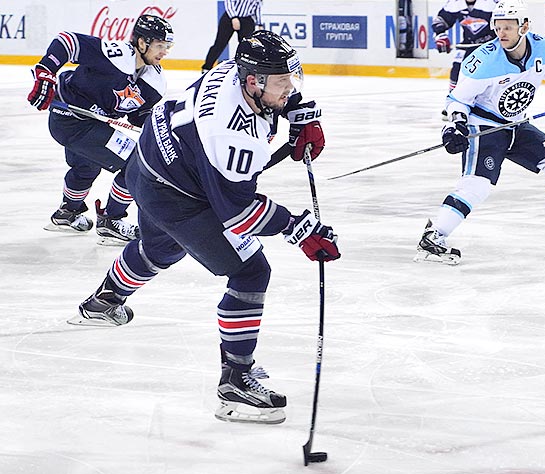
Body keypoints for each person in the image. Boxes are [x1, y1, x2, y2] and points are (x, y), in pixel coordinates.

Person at [74, 31, 338, 425]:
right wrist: (298, 228)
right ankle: (236, 383)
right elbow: (239, 214)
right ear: (254, 81)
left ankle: (105, 300)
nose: (290, 87)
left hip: (151, 162)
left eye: (290, 79)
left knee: (160, 247)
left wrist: (299, 112)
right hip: (175, 190)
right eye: (283, 82)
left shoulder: (236, 70)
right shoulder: (231, 135)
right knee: (250, 271)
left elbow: (275, 93)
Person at [415, 0, 545, 265]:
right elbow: (457, 100)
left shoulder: (543, 48)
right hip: (484, 127)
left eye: (508, 28)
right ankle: (434, 236)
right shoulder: (484, 60)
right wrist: (454, 126)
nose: (501, 33)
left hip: (516, 124)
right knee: (477, 185)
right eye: (498, 27)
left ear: (524, 27)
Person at [27, 15, 174, 245]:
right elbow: (67, 42)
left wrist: (159, 128)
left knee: (86, 166)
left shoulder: (154, 81)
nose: (164, 52)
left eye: (167, 46)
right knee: (137, 162)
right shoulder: (115, 55)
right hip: (70, 119)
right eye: (160, 45)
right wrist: (45, 72)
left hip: (92, 123)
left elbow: (138, 115)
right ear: (142, 42)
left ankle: (67, 213)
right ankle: (111, 220)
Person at [432, 0, 498, 117]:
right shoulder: (455, 3)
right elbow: (440, 20)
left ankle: (490, 105)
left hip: (492, 45)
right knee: (457, 70)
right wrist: (440, 35)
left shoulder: (493, 3)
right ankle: (453, 104)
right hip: (468, 44)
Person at [201, 0, 263, 73]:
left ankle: (246, 69)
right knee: (220, 44)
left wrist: (260, 24)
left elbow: (258, 7)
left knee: (247, 46)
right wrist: (234, 17)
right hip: (229, 17)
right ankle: (207, 67)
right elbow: (229, 2)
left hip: (247, 20)